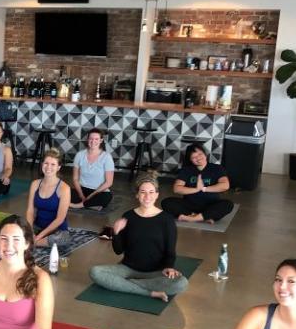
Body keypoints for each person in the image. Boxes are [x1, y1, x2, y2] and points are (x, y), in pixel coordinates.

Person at [89, 171, 188, 302]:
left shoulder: (167, 220)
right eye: (143, 192)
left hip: (156, 272)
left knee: (181, 283)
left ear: (157, 194)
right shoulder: (128, 216)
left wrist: (169, 267)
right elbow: (118, 251)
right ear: (137, 194)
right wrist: (116, 233)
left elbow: (170, 251)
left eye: (151, 192)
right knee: (95, 272)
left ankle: (125, 284)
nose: (147, 196)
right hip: (128, 269)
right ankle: (149, 293)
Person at [161, 142, 233, 223]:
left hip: (211, 205)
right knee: (166, 202)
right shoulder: (186, 170)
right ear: (190, 160)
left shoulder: (217, 168)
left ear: (205, 154)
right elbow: (176, 189)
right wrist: (196, 189)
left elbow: (225, 185)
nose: (198, 158)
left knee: (228, 204)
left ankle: (193, 218)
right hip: (190, 205)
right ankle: (203, 216)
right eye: (194, 157)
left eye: (200, 154)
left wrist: (204, 188)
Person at [26, 149, 72, 248]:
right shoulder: (35, 184)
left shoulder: (64, 188)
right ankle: (33, 241)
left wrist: (38, 237)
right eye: (46, 163)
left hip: (57, 230)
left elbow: (60, 219)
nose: (48, 167)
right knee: (18, 229)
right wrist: (30, 232)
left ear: (59, 167)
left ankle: (33, 243)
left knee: (63, 239)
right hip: (37, 227)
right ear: (42, 164)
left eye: (53, 164)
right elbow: (30, 211)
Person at [70, 128, 114, 210]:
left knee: (107, 197)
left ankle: (77, 205)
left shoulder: (107, 157)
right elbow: (75, 178)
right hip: (82, 189)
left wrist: (92, 195)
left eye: (96, 139)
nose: (93, 141)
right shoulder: (79, 155)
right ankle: (90, 205)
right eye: (91, 138)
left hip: (99, 191)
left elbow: (109, 182)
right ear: (87, 139)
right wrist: (81, 195)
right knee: (65, 192)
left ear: (101, 140)